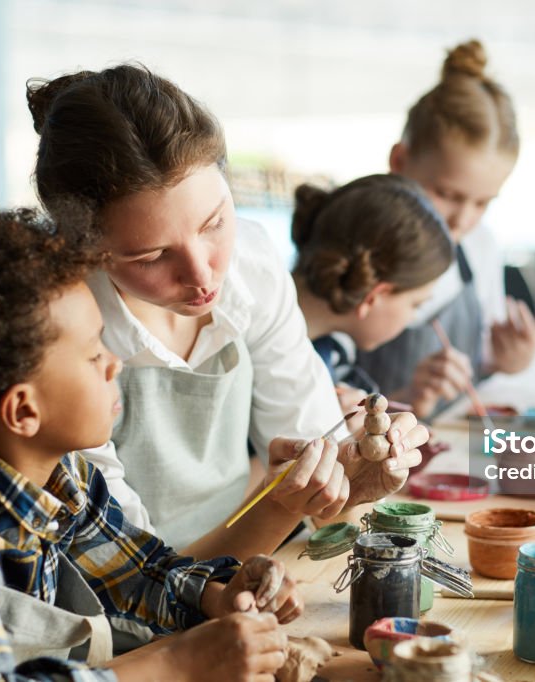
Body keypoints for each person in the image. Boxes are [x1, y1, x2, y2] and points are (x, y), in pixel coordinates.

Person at [0, 203, 300, 681]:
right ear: (23, 411)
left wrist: (217, 595)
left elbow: (136, 573)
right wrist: (172, 664)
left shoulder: (61, 474)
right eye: (94, 352)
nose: (114, 364)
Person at [26, 64, 428, 564]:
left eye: (215, 222)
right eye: (151, 257)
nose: (203, 274)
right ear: (83, 249)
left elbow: (320, 474)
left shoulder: (252, 265)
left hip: (239, 568)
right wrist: (282, 506)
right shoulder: (56, 332)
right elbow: (127, 576)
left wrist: (352, 476)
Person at [355, 39, 535, 419]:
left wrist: (505, 360)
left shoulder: (479, 246)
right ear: (399, 160)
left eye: (482, 203)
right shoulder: (350, 250)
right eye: (446, 194)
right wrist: (407, 396)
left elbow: (479, 361)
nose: (462, 219)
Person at [290, 174, 454, 419]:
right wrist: (324, 434)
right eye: (415, 304)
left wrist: (409, 397)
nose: (412, 317)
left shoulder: (329, 350)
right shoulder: (262, 352)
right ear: (374, 296)